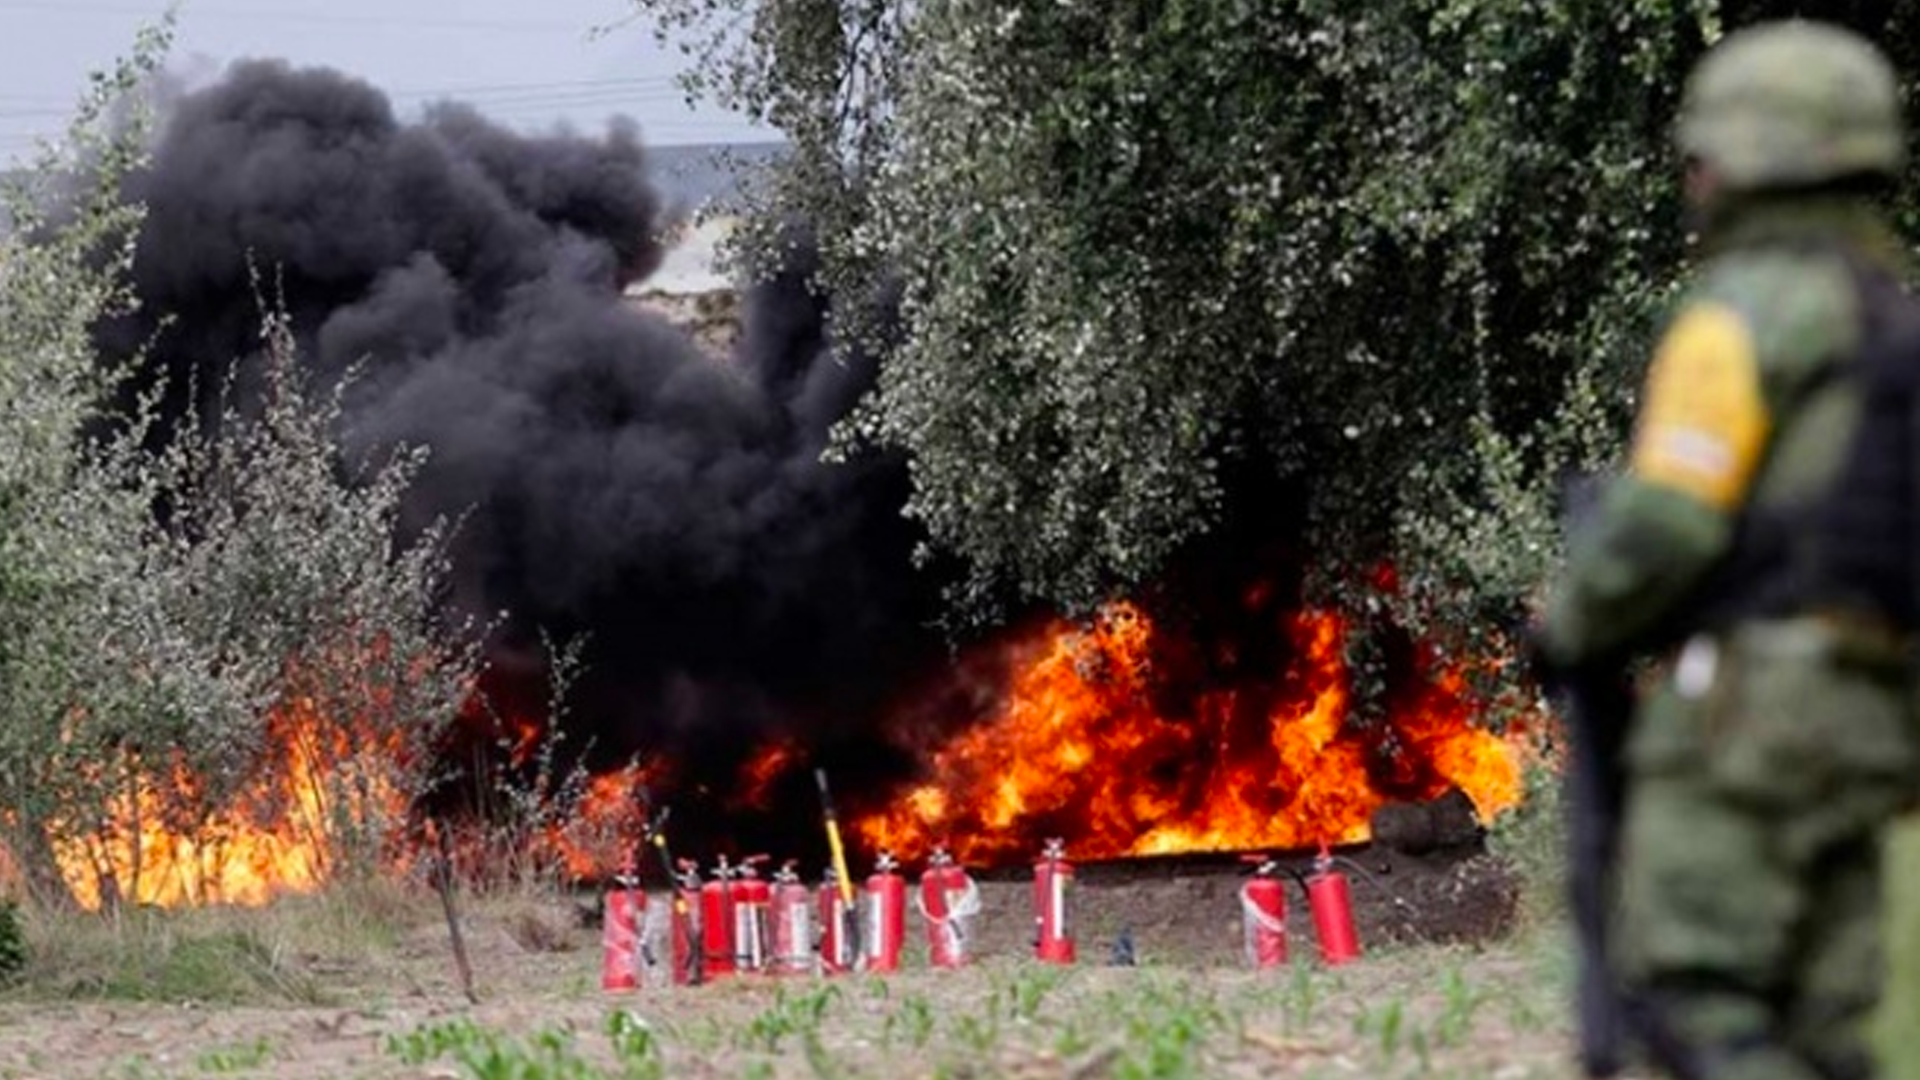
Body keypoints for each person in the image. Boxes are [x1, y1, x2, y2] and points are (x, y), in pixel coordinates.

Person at [1536, 19, 1920, 1080]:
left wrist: (1570, 621)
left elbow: (1671, 521)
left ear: (1735, 166)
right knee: (1838, 1021)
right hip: (1883, 715)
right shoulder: (1890, 319)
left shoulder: (1740, 319)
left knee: (1695, 1000)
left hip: (1758, 717)